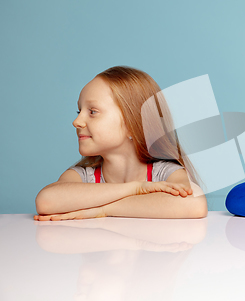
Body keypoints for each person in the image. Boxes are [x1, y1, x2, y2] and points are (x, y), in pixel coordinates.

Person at [35, 66, 207, 220]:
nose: (77, 121)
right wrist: (136, 188)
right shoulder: (83, 176)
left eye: (92, 112)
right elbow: (46, 201)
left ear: (133, 125)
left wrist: (103, 209)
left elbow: (195, 203)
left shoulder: (163, 172)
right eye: (79, 111)